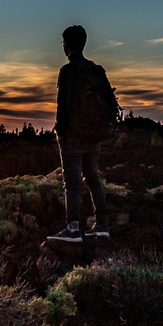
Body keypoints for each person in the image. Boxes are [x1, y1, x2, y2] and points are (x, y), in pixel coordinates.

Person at [50, 24, 120, 244]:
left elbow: (63, 106)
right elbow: (110, 104)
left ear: (67, 45)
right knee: (92, 177)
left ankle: (72, 229)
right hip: (94, 135)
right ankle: (102, 225)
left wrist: (60, 131)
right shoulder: (96, 70)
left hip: (73, 136)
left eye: (63, 42)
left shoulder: (67, 72)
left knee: (72, 182)